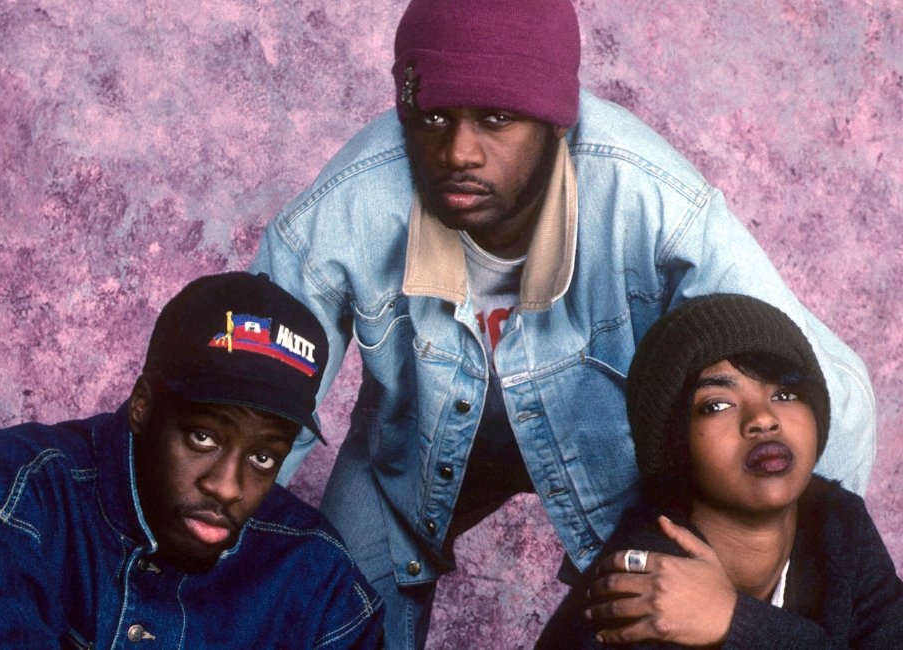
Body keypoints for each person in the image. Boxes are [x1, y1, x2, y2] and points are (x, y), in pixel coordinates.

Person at [249, 0, 876, 646]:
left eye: (497, 119)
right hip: (417, 435)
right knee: (327, 608)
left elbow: (821, 394)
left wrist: (773, 600)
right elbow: (241, 401)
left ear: (556, 121)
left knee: (676, 612)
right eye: (433, 117)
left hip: (607, 440)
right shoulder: (348, 205)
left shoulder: (651, 197)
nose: (459, 152)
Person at [0, 272, 384, 649]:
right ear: (142, 405)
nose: (227, 487)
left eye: (263, 456)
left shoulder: (319, 582)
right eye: (203, 437)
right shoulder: (17, 493)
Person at [536, 293, 903, 648]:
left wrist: (737, 621)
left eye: (786, 394)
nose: (763, 419)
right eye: (717, 405)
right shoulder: (640, 595)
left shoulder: (837, 521)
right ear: (674, 444)